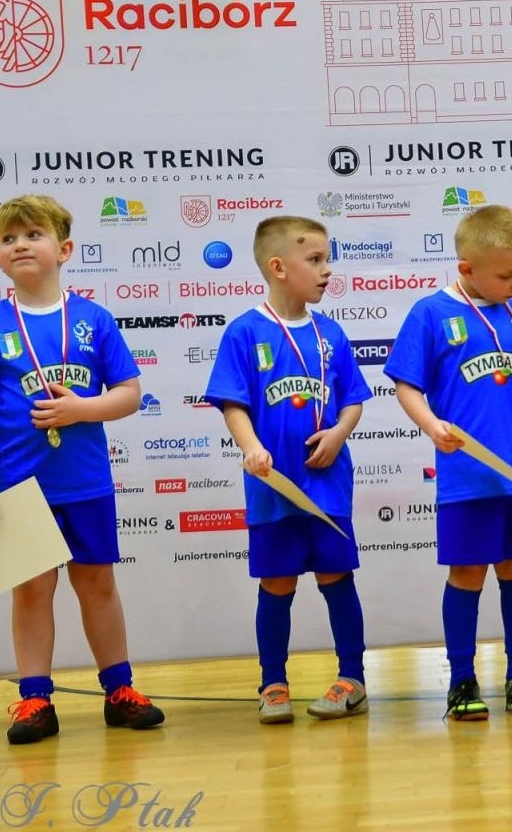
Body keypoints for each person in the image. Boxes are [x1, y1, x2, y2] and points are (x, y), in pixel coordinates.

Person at [0, 194, 166, 743]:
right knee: (31, 593)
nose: (20, 245)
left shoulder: (93, 319)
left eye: (33, 235)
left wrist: (80, 410)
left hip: (86, 484)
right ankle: (34, 700)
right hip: (20, 489)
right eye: (9, 239)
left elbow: (131, 394)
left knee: (98, 586)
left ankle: (120, 689)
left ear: (63, 249)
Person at [384, 205, 512, 719]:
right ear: (466, 269)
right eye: (506, 274)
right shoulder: (429, 313)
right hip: (467, 476)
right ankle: (463, 679)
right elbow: (406, 384)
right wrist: (431, 425)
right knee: (467, 574)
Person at [204, 216, 373, 723]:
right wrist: (252, 448)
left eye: (328, 260)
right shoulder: (244, 331)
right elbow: (233, 404)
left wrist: (340, 432)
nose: (326, 271)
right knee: (277, 583)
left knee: (336, 575)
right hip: (274, 489)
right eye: (315, 260)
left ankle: (352, 677)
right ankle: (272, 683)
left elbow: (353, 402)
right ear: (278, 267)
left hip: (327, 488)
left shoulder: (331, 332)